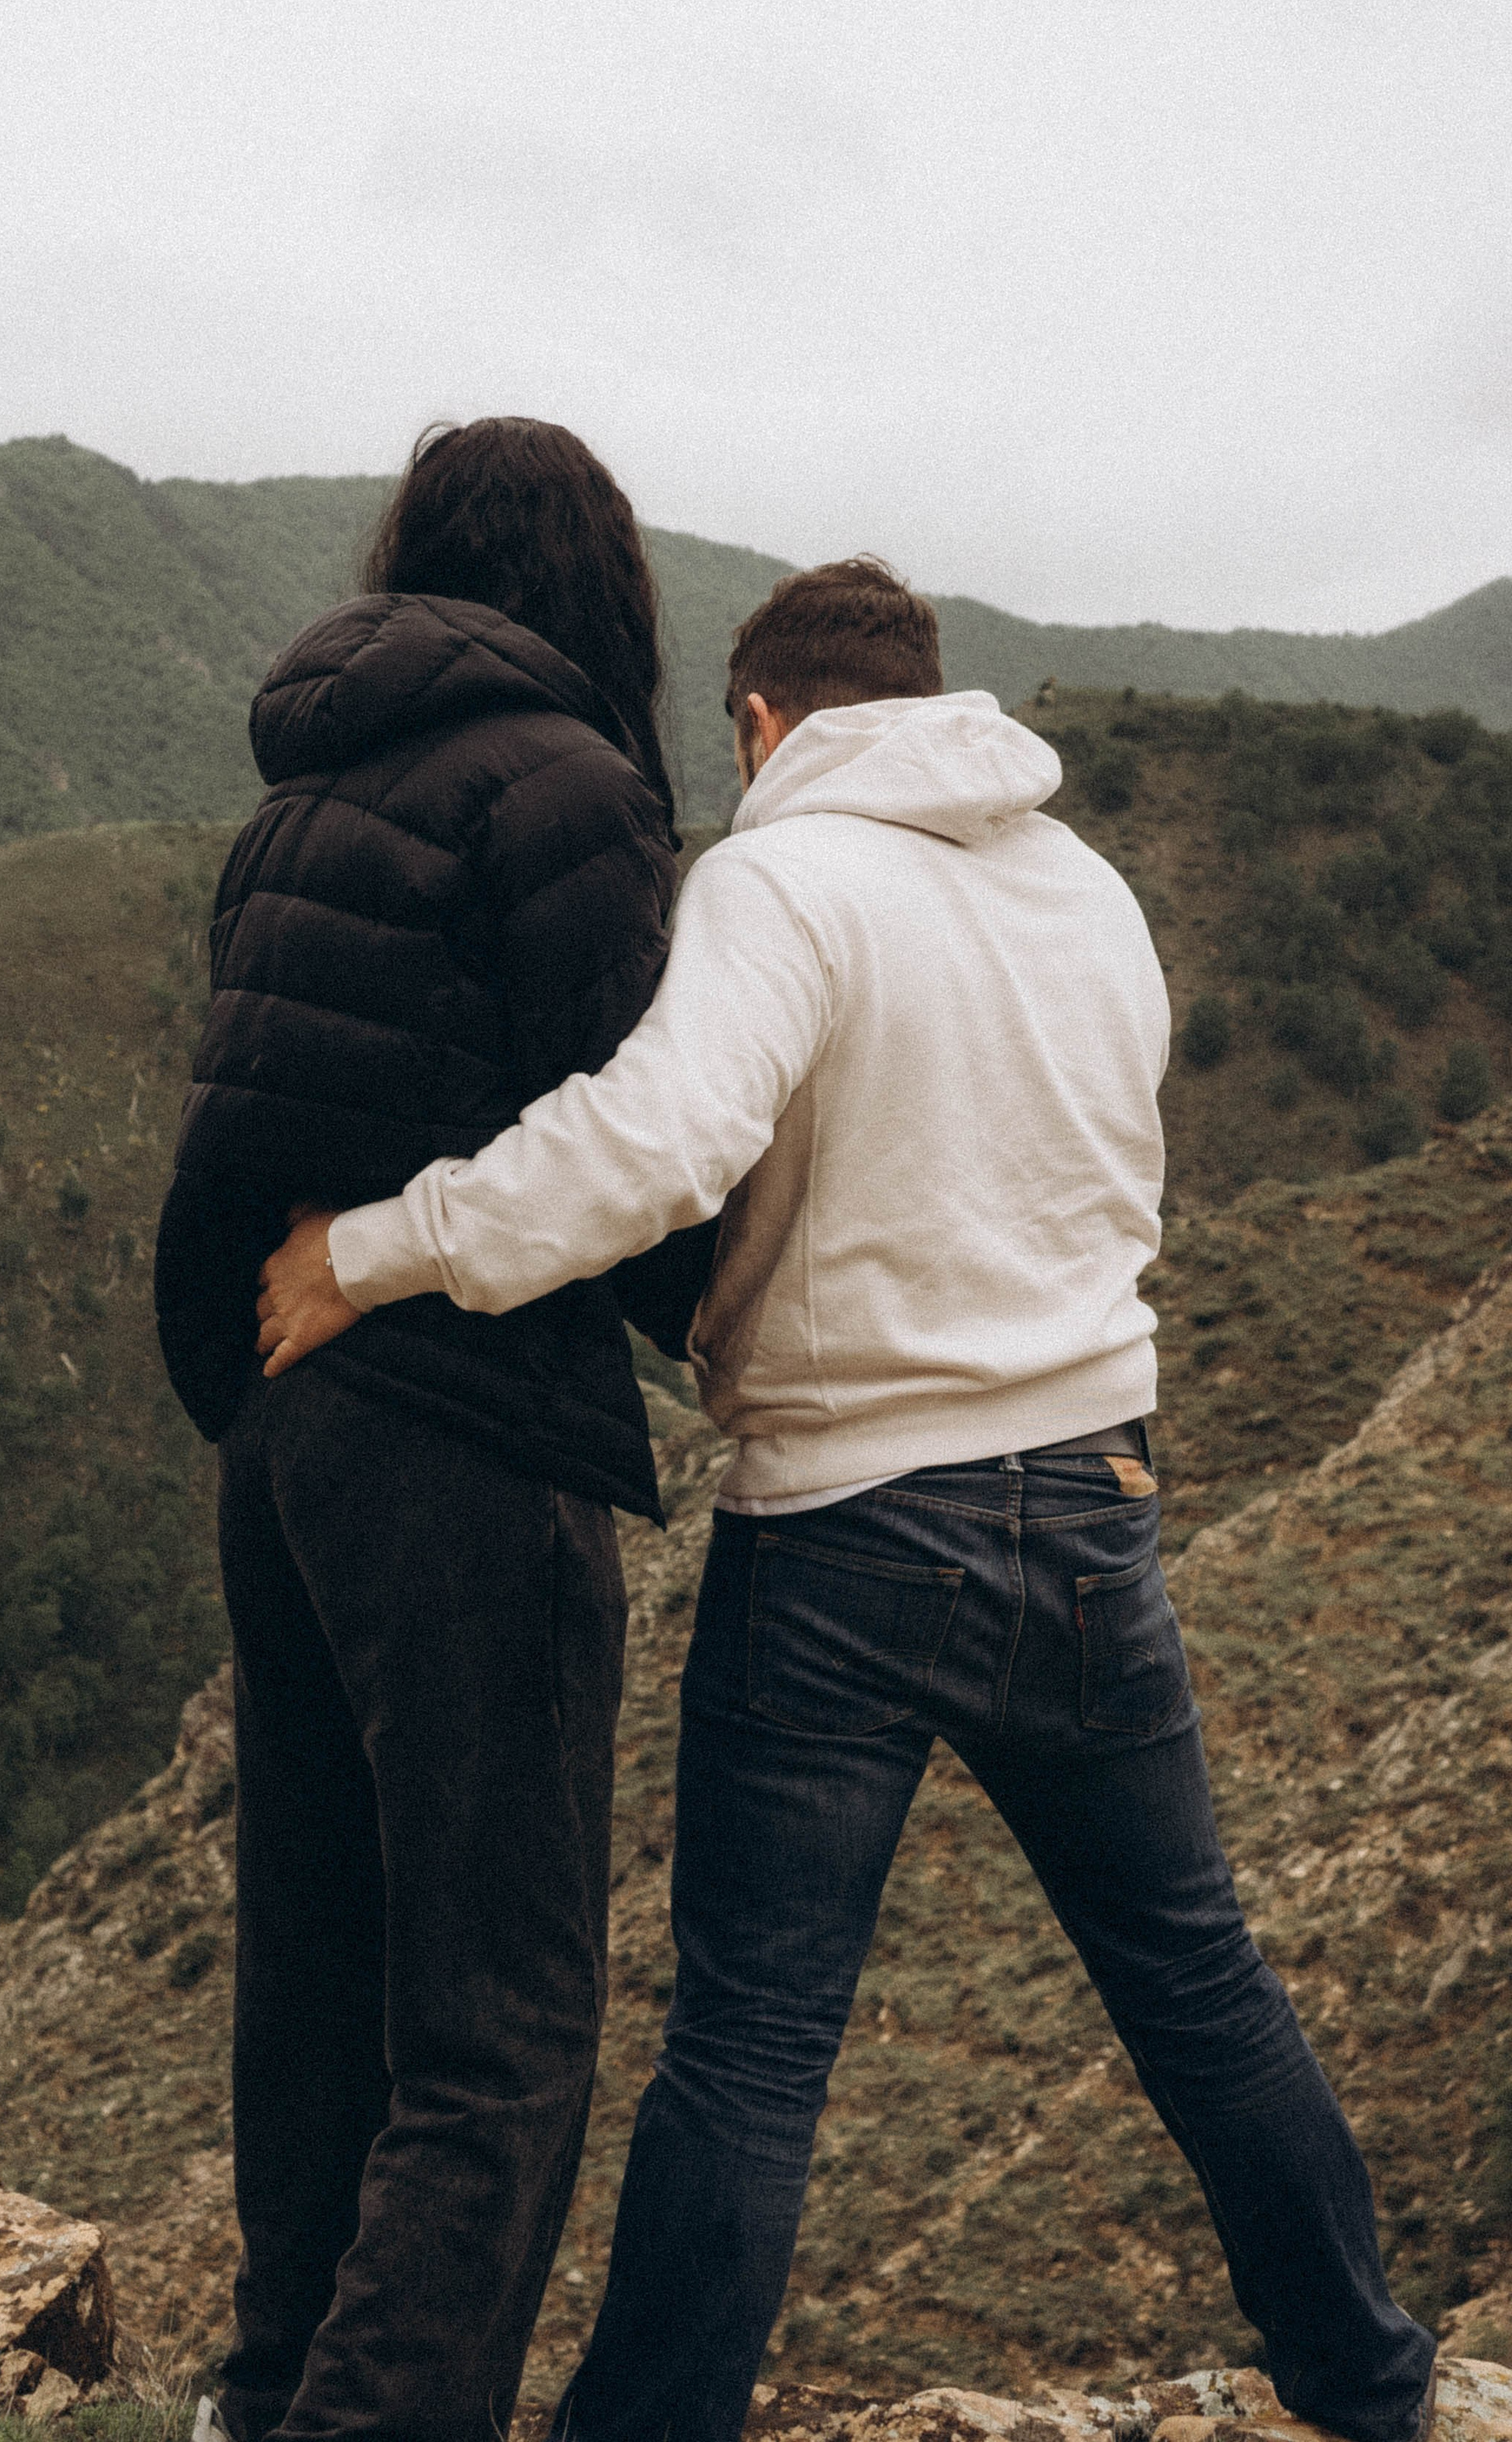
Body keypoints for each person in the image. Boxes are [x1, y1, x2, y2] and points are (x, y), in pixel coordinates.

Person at [255, 557, 1437, 2442]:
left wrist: (377, 1249)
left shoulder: (779, 881)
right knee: (1197, 1985)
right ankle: (1370, 2387)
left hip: (848, 1525)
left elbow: (653, 1144)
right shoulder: (1085, 888)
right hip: (1096, 1503)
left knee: (746, 2049)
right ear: (928, 698)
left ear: (758, 725)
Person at [153, 418, 716, 2442]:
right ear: (603, 584)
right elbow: (639, 1151)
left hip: (283, 1428)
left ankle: (263, 2395)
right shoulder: (566, 788)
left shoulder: (300, 798)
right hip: (470, 1433)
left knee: (315, 1981)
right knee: (499, 2034)